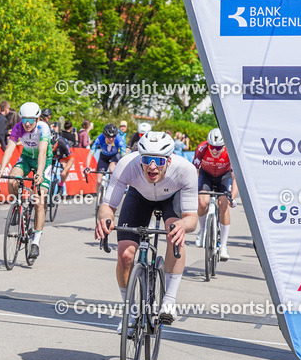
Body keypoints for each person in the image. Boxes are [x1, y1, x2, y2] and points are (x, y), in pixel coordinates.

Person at [94, 132, 199, 326]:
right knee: (125, 254)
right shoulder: (127, 165)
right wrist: (105, 219)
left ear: (169, 160)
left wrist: (182, 225)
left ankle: (169, 301)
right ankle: (130, 310)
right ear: (140, 158)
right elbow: (107, 206)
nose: (152, 166)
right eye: (147, 159)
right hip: (139, 196)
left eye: (158, 161)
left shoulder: (185, 170)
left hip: (171, 199)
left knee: (175, 233)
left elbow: (191, 220)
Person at [0, 102, 52, 258]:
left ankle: (36, 242)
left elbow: (42, 152)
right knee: (12, 180)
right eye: (24, 119)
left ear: (38, 118)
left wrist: (39, 173)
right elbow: (9, 149)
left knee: (39, 201)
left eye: (31, 120)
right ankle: (18, 206)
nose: (27, 123)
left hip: (44, 161)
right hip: (26, 158)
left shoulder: (43, 128)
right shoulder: (18, 127)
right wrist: (0, 170)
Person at [192, 128, 238, 259]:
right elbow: (194, 171)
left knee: (223, 205)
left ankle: (223, 245)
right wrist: (192, 190)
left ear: (224, 146)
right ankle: (202, 230)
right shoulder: (202, 148)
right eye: (212, 147)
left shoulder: (231, 150)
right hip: (206, 175)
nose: (214, 150)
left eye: (218, 148)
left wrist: (232, 197)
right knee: (202, 202)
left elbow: (235, 177)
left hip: (224, 176)